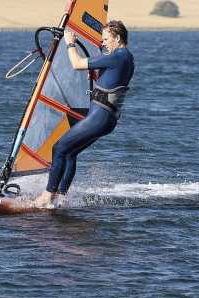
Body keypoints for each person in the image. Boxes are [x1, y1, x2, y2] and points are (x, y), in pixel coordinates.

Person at [32, 20, 134, 209]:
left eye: (105, 39)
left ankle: (47, 196)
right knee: (70, 153)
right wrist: (97, 75)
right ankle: (60, 197)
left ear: (117, 38)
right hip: (105, 118)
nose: (103, 43)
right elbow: (111, 80)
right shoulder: (125, 58)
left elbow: (77, 64)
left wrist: (69, 42)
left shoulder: (119, 55)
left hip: (100, 117)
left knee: (59, 148)